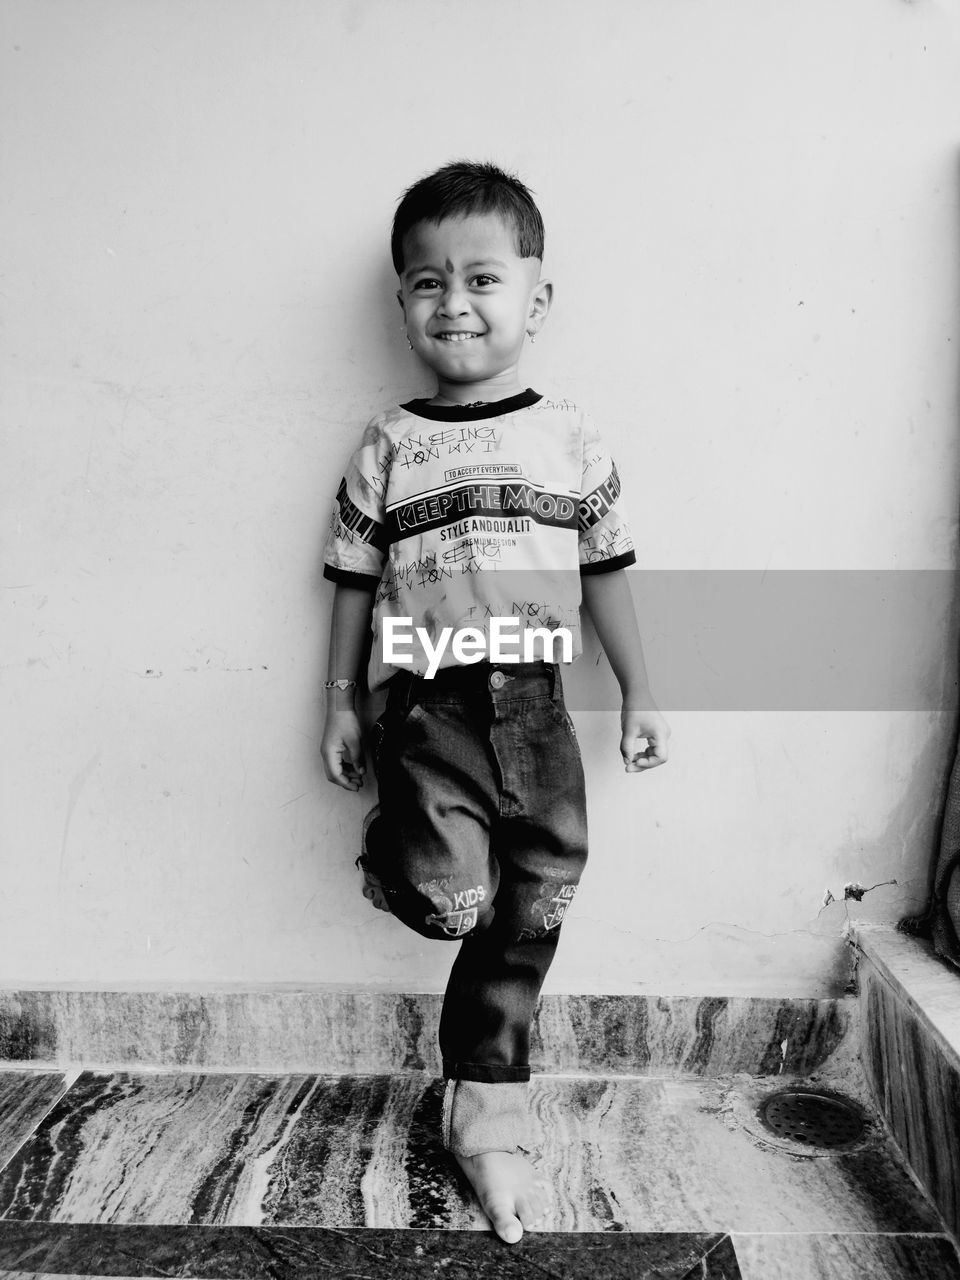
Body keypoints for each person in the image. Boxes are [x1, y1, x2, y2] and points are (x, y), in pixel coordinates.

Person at [320, 160, 669, 1244]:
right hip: (427, 703)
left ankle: (487, 1085)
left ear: (536, 297)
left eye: (481, 279)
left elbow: (607, 565)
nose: (454, 303)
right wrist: (339, 700)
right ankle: (397, 857)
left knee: (543, 888)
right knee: (452, 896)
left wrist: (643, 687)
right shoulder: (392, 442)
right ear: (402, 302)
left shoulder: (570, 436)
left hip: (538, 700)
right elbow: (348, 578)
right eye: (426, 282)